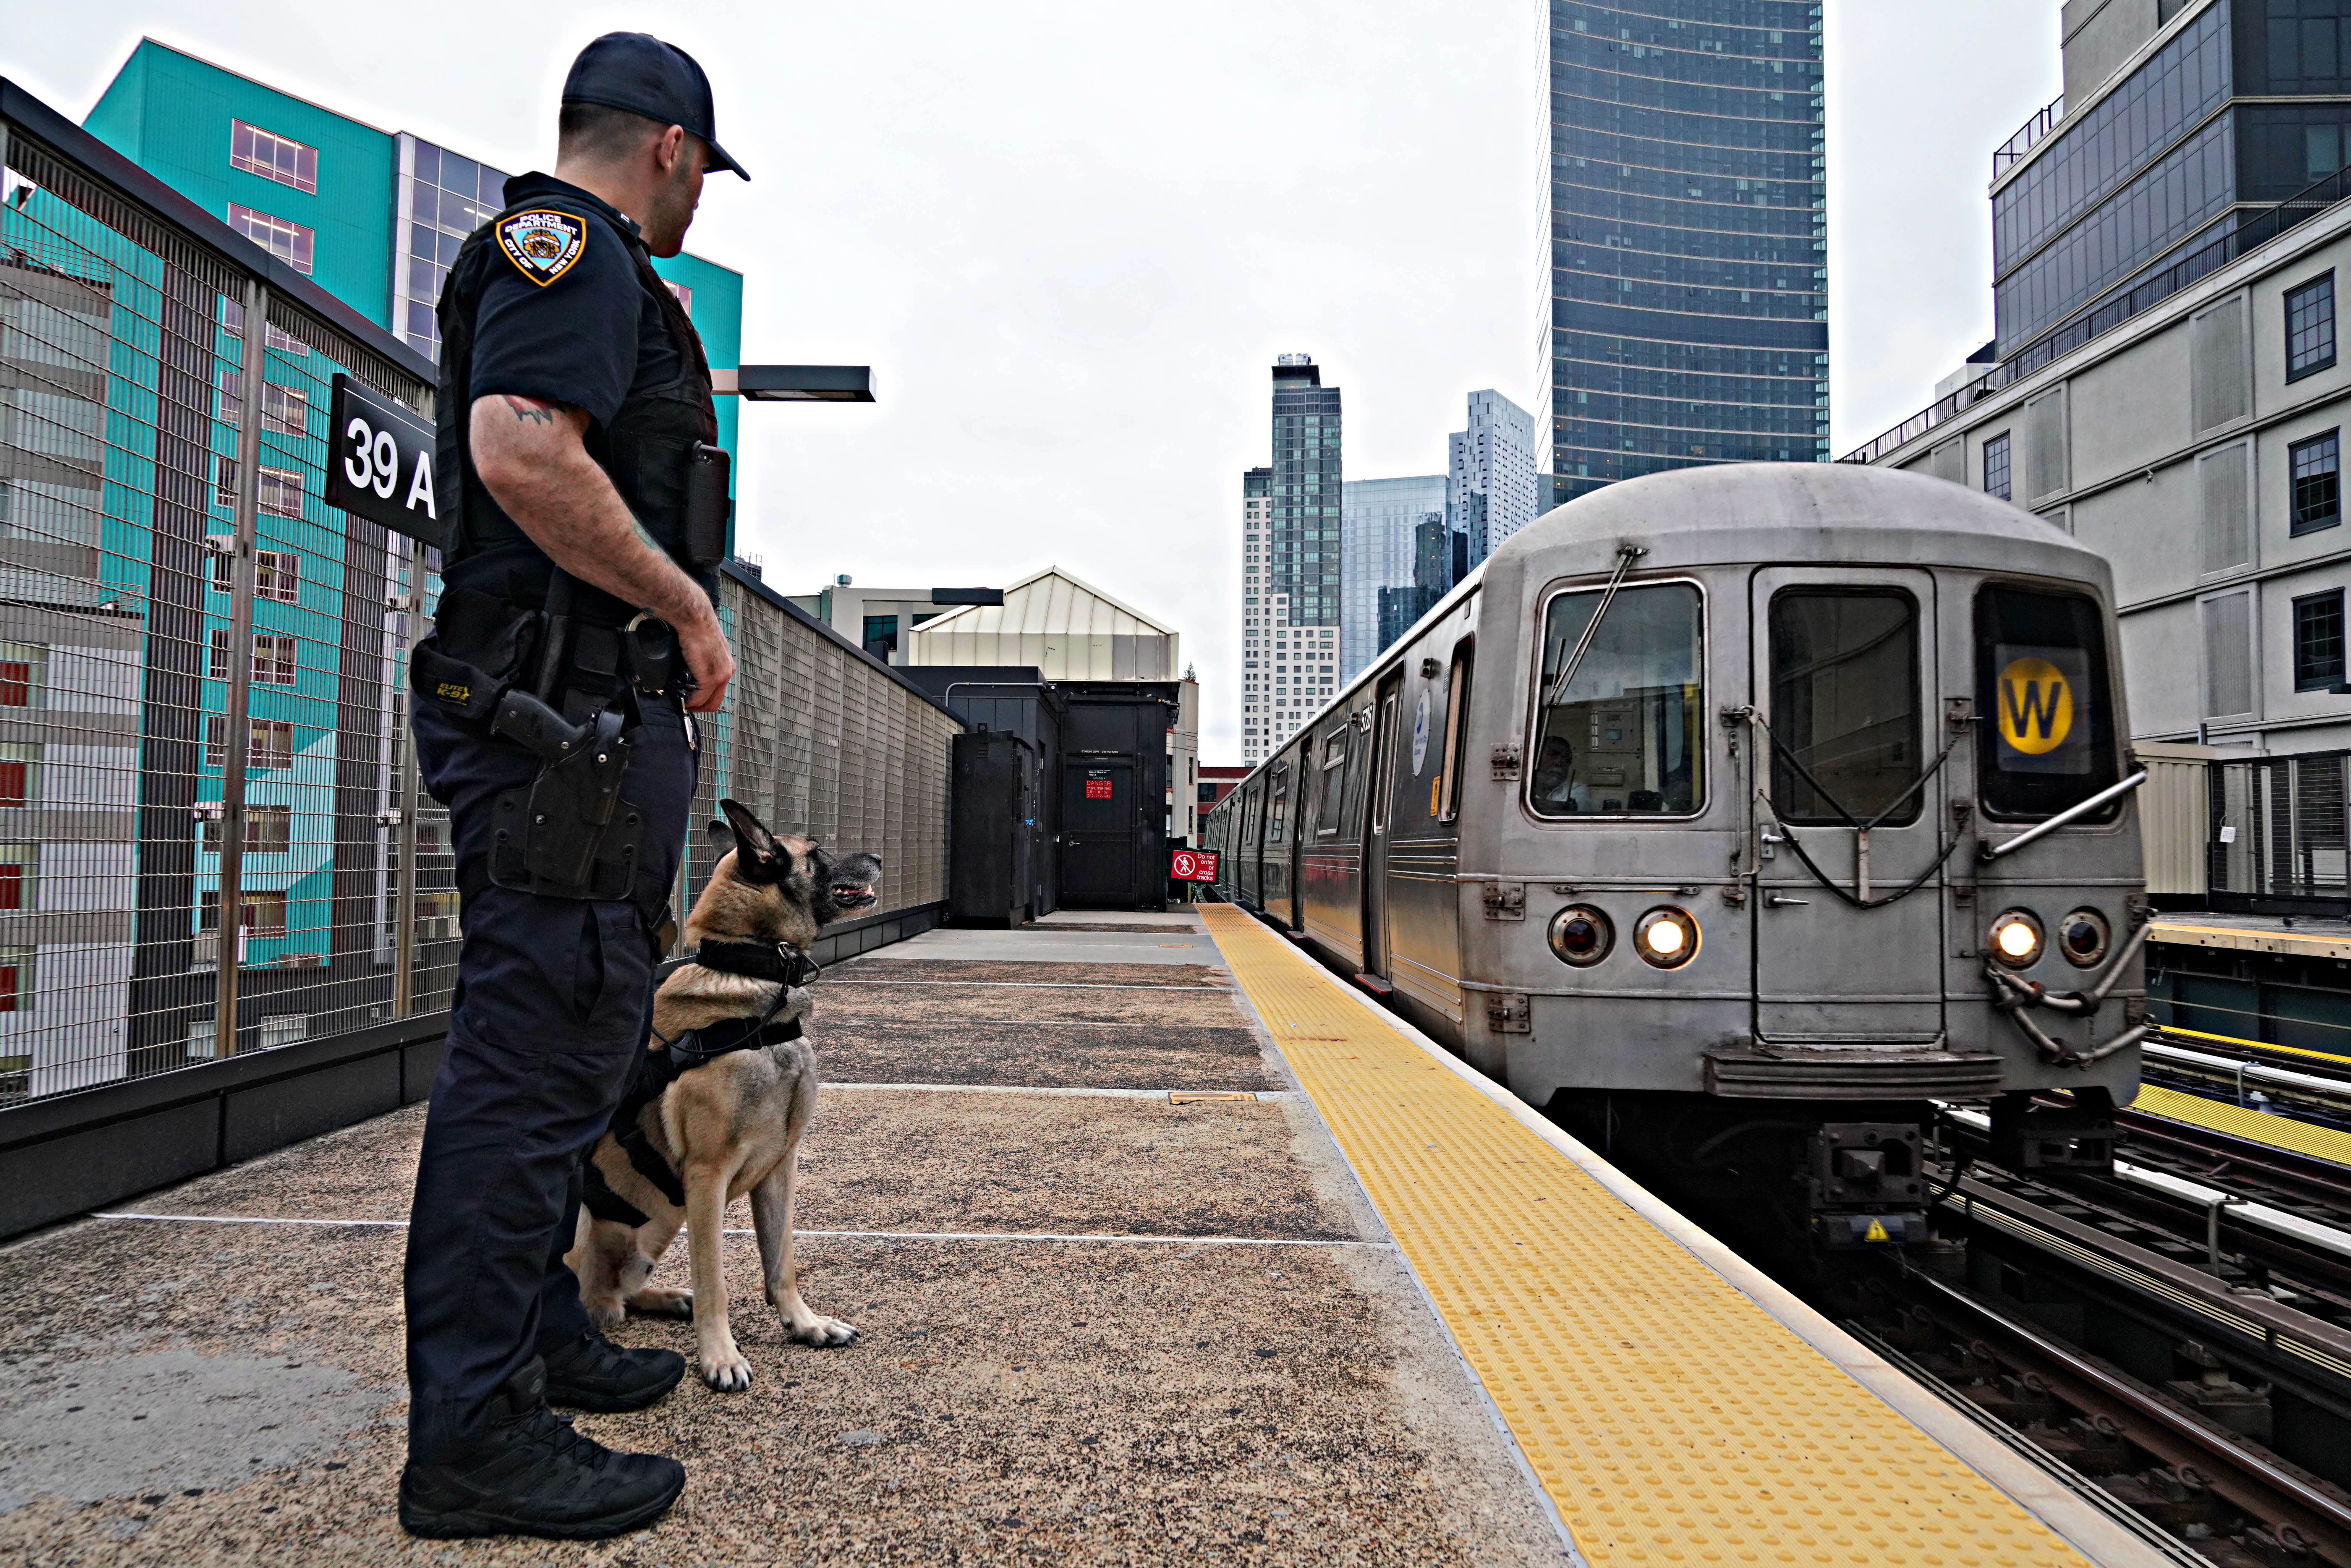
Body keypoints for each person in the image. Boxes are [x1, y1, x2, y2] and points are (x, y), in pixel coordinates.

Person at [396, 32, 746, 1541]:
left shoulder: (588, 267)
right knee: (530, 1062)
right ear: (667, 146)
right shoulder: (571, 252)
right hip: (562, 730)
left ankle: (530, 1340)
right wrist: (681, 606)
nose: (698, 207)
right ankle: (467, 1436)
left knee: (577, 1041)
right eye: (702, 177)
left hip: (582, 736)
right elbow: (520, 448)